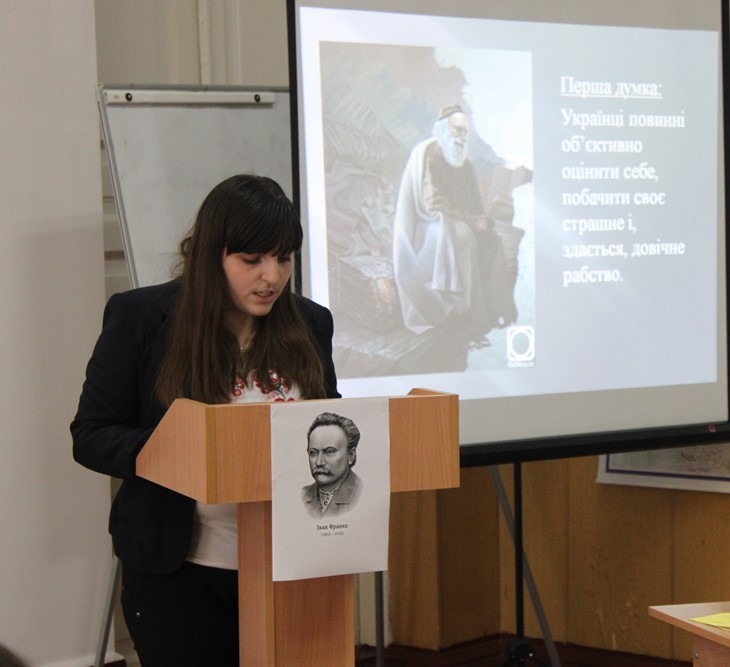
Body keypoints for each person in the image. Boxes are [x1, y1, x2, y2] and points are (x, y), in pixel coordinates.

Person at [71, 174, 339, 666]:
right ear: (212, 255)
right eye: (252, 260)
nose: (272, 277)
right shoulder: (142, 317)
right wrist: (179, 450)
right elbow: (91, 435)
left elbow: (330, 420)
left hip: (292, 565)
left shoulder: (311, 322)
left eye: (284, 258)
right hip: (180, 571)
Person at [392, 104, 512, 337]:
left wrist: (480, 219)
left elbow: (472, 199)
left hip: (459, 220)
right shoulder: (430, 156)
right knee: (464, 237)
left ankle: (495, 311)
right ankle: (466, 314)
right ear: (443, 130)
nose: (462, 135)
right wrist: (471, 221)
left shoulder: (463, 162)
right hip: (428, 224)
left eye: (465, 131)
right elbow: (432, 203)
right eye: (458, 129)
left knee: (492, 239)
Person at [301, 411, 362, 518]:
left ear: (351, 456)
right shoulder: (302, 495)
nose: (319, 462)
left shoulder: (362, 494)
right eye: (313, 453)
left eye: (329, 452)